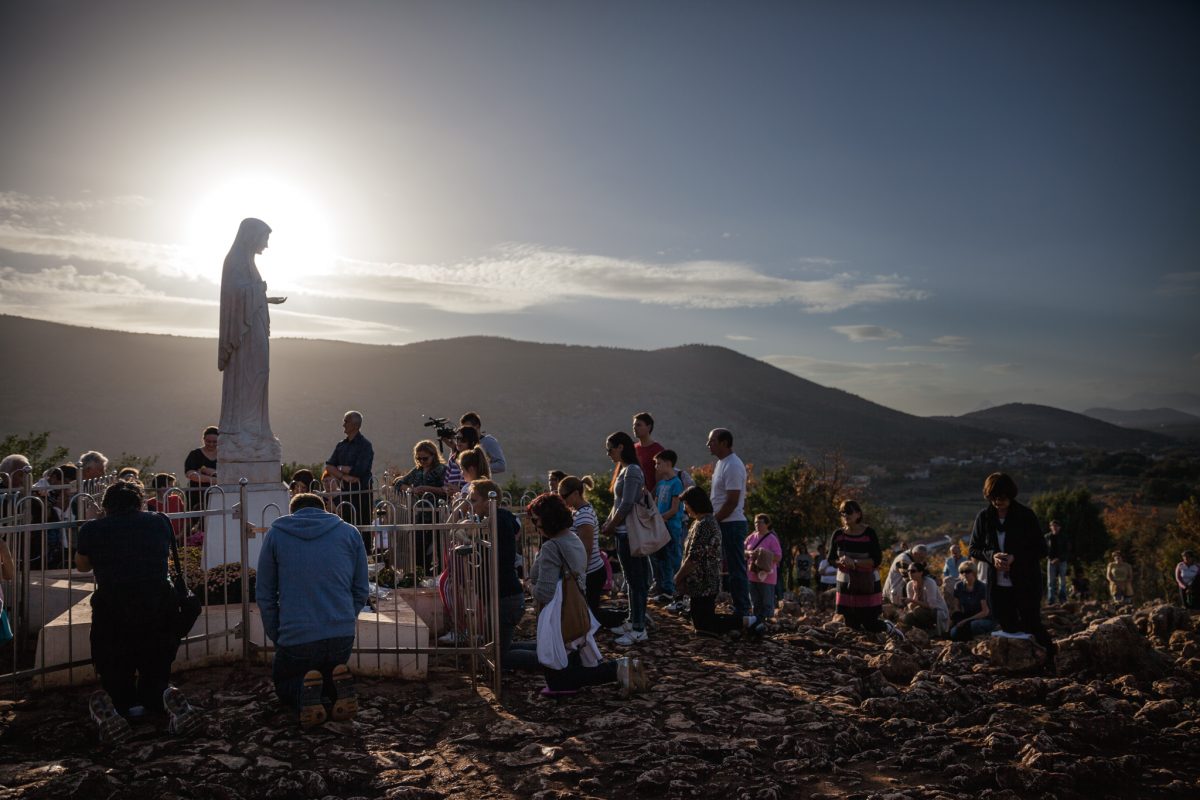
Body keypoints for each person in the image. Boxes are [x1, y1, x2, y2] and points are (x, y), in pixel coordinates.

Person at [75, 480, 200, 742]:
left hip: (114, 605)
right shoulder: (159, 521)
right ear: (140, 501)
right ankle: (161, 698)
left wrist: (95, 522)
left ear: (106, 505)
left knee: (115, 664)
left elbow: (82, 566)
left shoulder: (93, 529)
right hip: (158, 603)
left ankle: (119, 707)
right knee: (155, 662)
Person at [257, 492, 368, 728]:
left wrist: (278, 636)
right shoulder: (350, 533)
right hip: (341, 637)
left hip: (297, 637)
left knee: (284, 680)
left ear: (292, 512)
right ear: (325, 509)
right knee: (326, 673)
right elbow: (361, 589)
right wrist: (346, 618)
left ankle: (303, 695)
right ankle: (333, 692)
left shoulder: (277, 534)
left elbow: (265, 594)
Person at [217, 217, 285, 462]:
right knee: (249, 376)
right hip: (244, 336)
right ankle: (242, 430)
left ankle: (256, 429)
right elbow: (232, 295)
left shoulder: (249, 262)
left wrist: (264, 297)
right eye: (264, 238)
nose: (266, 245)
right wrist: (259, 291)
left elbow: (245, 293)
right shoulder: (234, 261)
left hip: (255, 328)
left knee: (260, 373)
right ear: (252, 236)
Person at [968, 472, 1055, 657]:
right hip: (998, 586)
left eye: (1002, 498)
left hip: (1026, 582)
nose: (998, 503)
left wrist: (1016, 557)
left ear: (1010, 495)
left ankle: (1050, 658)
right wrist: (993, 556)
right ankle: (1021, 664)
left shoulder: (1026, 515)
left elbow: (1041, 549)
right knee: (1008, 625)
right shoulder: (984, 517)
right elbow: (974, 549)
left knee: (1031, 623)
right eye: (994, 499)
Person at [674, 486, 764, 639]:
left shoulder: (706, 524)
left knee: (703, 624)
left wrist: (678, 577)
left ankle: (748, 622)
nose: (685, 509)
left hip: (704, 582)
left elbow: (694, 557)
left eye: (686, 504)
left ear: (694, 503)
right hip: (700, 582)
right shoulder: (700, 522)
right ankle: (744, 624)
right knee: (702, 624)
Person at [599, 431, 650, 646]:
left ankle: (639, 627)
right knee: (631, 580)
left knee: (637, 581)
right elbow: (619, 504)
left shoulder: (632, 471)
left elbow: (627, 504)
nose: (608, 453)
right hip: (623, 534)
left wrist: (611, 525)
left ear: (621, 447)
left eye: (610, 448)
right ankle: (632, 620)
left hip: (630, 534)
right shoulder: (626, 470)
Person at [559, 476, 625, 630]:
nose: (562, 500)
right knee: (590, 610)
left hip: (591, 571)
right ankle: (624, 616)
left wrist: (580, 574)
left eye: (564, 496)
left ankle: (624, 619)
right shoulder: (579, 512)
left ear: (575, 493)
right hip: (591, 570)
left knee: (590, 614)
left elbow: (586, 548)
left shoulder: (584, 515)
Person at [826, 500, 890, 635]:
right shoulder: (838, 534)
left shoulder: (869, 533)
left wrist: (854, 562)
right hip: (845, 584)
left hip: (867, 583)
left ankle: (889, 629)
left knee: (870, 622)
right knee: (851, 623)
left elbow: (876, 560)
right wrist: (842, 562)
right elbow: (831, 559)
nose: (845, 515)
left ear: (858, 514)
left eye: (849, 511)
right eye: (842, 512)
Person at [706, 428, 751, 618]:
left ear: (724, 443)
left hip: (731, 523)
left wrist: (713, 521)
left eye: (712, 441)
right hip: (723, 522)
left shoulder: (733, 465)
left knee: (735, 568)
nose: (708, 445)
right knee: (721, 567)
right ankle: (733, 606)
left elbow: (732, 501)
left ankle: (742, 609)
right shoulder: (721, 463)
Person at [325, 410, 375, 545]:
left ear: (355, 425)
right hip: (346, 492)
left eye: (346, 421)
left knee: (362, 526)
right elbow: (329, 466)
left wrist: (339, 468)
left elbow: (360, 471)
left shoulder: (365, 446)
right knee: (347, 525)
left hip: (362, 493)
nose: (343, 425)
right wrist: (343, 475)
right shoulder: (341, 445)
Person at [651, 450, 685, 604]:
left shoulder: (676, 483)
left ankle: (678, 591)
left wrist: (660, 519)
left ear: (669, 464)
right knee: (661, 559)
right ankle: (666, 591)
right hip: (660, 527)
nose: (656, 466)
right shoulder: (661, 484)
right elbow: (656, 505)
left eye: (659, 463)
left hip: (672, 527)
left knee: (674, 558)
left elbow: (674, 509)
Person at [745, 514, 782, 621]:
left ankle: (768, 625)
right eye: (756, 522)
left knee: (767, 604)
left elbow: (778, 557)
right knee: (755, 603)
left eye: (760, 522)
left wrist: (763, 555)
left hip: (767, 577)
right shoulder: (751, 537)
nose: (757, 525)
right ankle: (757, 624)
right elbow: (743, 550)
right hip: (752, 575)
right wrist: (750, 553)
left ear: (767, 524)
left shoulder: (772, 538)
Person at [949, 560, 996, 641]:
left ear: (974, 572)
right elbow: (956, 607)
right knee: (953, 634)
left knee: (974, 625)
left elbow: (985, 612)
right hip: (966, 618)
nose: (964, 574)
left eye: (967, 571)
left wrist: (966, 621)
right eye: (962, 571)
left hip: (985, 619)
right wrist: (957, 619)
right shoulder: (958, 586)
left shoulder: (982, 587)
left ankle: (983, 637)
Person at [899, 562, 949, 634]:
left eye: (913, 571)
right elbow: (911, 607)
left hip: (938, 611)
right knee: (908, 617)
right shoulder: (909, 585)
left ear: (921, 572)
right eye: (908, 571)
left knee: (918, 611)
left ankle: (931, 629)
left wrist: (912, 600)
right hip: (922, 612)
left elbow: (931, 606)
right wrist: (915, 593)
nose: (910, 573)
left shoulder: (929, 583)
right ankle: (918, 633)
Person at [184, 426, 219, 513]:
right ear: (203, 439)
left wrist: (206, 473)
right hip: (197, 495)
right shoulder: (195, 454)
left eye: (215, 442)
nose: (211, 444)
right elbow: (190, 474)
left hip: (218, 495)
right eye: (208, 441)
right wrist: (214, 479)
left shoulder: (224, 455)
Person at [145, 473, 186, 541]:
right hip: (159, 540)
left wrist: (180, 535)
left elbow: (185, 519)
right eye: (170, 486)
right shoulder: (150, 503)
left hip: (180, 539)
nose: (172, 489)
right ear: (161, 487)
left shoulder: (176, 499)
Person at [632, 412, 665, 493]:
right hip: (633, 497)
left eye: (638, 425)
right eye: (634, 425)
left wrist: (650, 498)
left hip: (650, 499)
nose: (634, 428)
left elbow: (661, 481)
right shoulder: (633, 448)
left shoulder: (658, 450)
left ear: (649, 427)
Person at [1045, 519, 1070, 605]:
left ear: (1059, 527)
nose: (1054, 528)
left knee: (1062, 581)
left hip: (1062, 561)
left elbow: (1067, 550)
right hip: (1051, 561)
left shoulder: (1064, 537)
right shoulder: (1047, 537)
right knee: (1050, 582)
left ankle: (1062, 599)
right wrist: (1049, 558)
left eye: (1056, 526)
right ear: (1050, 527)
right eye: (1053, 526)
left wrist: (1059, 559)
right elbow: (1044, 550)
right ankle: (1051, 600)